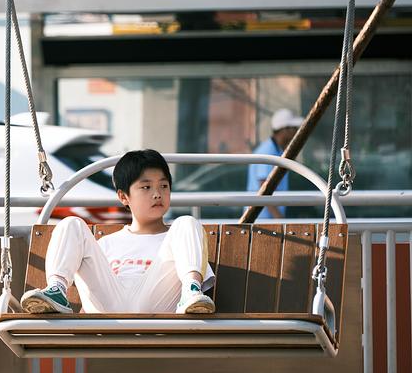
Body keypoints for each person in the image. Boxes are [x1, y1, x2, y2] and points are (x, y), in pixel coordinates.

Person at [21, 149, 215, 315]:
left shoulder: (181, 238)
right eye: (146, 187)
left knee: (187, 221)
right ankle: (57, 289)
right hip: (108, 310)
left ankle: (191, 291)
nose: (157, 194)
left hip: (155, 307)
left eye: (163, 186)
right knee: (71, 223)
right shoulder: (106, 244)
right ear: (123, 196)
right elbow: (93, 289)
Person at [246, 108, 304, 220]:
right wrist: (278, 218)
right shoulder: (268, 151)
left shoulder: (277, 150)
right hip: (262, 220)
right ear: (284, 130)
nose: (297, 132)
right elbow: (264, 186)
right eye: (294, 128)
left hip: (267, 218)